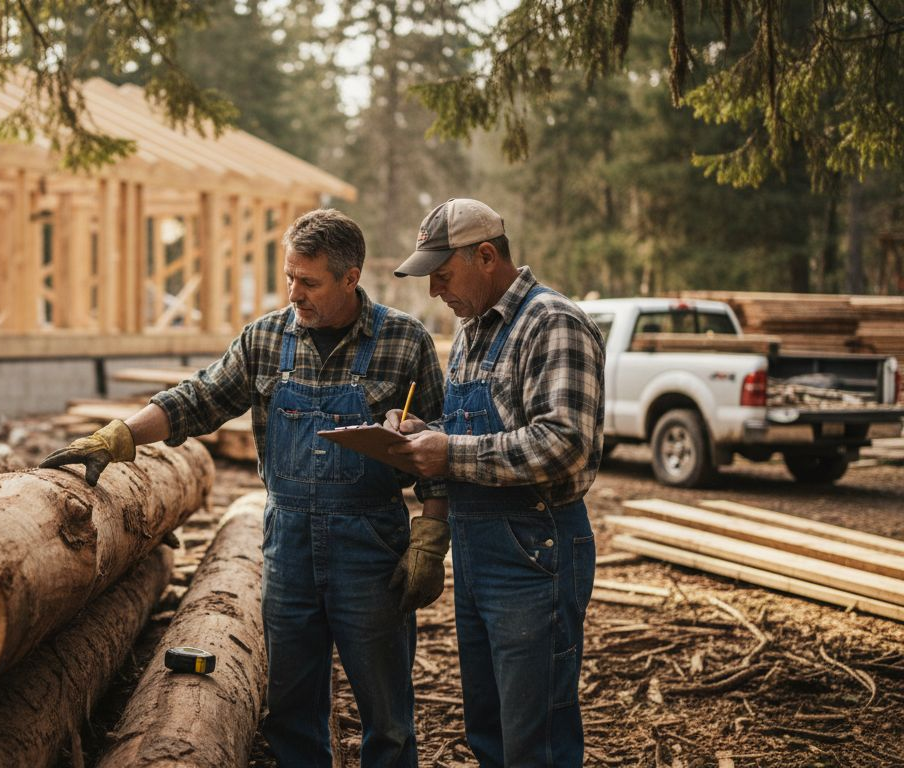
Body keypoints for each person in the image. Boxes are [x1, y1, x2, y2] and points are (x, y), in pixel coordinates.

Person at [41, 209, 447, 768]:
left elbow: (442, 449)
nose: (294, 293)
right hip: (289, 548)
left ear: (351, 278)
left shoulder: (404, 342)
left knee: (389, 716)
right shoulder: (267, 338)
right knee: (291, 708)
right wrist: (119, 437)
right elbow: (197, 399)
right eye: (289, 277)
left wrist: (431, 535)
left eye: (309, 282)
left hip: (371, 548)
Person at [385, 198, 605, 767]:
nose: (435, 291)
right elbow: (479, 432)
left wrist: (449, 453)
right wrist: (422, 434)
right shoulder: (471, 331)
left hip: (536, 553)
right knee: (490, 729)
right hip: (480, 556)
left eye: (442, 274)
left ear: (486, 255)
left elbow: (563, 443)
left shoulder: (552, 322)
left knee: (538, 739)